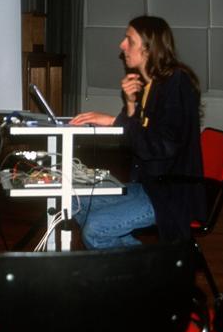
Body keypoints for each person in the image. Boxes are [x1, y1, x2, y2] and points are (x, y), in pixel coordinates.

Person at [69, 15, 205, 249]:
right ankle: (140, 261)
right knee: (73, 200)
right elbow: (138, 140)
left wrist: (115, 120)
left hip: (169, 194)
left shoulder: (177, 83)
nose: (122, 45)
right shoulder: (148, 85)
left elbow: (161, 146)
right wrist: (131, 106)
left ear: (150, 48)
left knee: (96, 229)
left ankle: (139, 266)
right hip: (148, 185)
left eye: (130, 40)